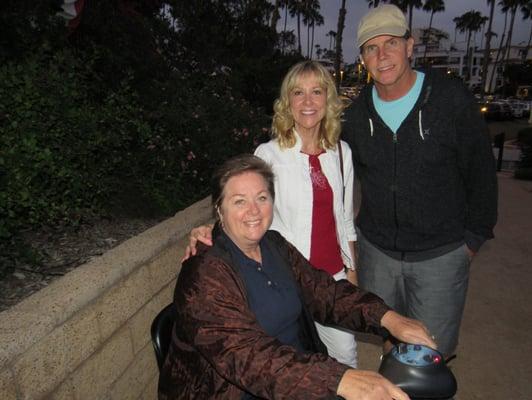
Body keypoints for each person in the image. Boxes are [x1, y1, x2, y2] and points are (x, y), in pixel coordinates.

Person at [158, 154, 436, 400]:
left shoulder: (275, 244)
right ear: (219, 209)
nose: (253, 211)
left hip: (297, 373)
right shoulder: (203, 273)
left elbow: (324, 292)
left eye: (262, 197)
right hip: (238, 388)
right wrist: (339, 379)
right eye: (239, 201)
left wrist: (387, 318)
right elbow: (246, 356)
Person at [342, 4, 498, 357]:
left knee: (430, 354)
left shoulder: (450, 100)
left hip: (441, 255)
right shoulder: (354, 116)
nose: (382, 56)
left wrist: (472, 239)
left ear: (410, 46)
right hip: (378, 253)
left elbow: (482, 174)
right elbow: (315, 162)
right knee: (391, 342)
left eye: (391, 43)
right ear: (363, 58)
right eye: (371, 48)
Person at [184, 60, 360, 368]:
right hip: (287, 279)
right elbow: (245, 204)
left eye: (316, 92)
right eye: (298, 93)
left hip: (332, 278)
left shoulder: (342, 152)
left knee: (345, 358)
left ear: (328, 100)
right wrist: (209, 230)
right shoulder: (269, 154)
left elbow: (345, 221)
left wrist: (351, 274)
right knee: (295, 363)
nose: (308, 101)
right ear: (287, 102)